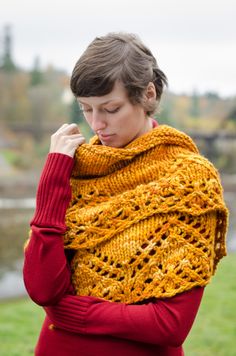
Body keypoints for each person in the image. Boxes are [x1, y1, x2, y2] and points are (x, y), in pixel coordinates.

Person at [23, 32, 228, 356]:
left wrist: (76, 313)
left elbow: (170, 324)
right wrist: (54, 174)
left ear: (147, 94)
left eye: (111, 108)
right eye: (86, 109)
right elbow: (42, 289)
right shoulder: (77, 169)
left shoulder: (188, 181)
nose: (97, 124)